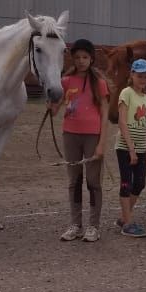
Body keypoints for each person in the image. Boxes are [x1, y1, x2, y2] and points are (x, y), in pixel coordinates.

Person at [54, 38, 109, 243]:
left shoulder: (99, 84)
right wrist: (51, 104)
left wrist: (102, 142)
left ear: (91, 58)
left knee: (93, 181)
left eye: (85, 57)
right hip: (70, 134)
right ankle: (75, 224)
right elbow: (56, 108)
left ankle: (93, 225)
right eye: (77, 57)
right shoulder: (65, 82)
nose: (81, 61)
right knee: (73, 180)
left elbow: (104, 113)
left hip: (92, 136)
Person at [115, 58, 146, 237]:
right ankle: (128, 222)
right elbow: (122, 121)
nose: (143, 80)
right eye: (140, 76)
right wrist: (130, 148)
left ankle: (125, 216)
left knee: (139, 183)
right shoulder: (126, 93)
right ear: (132, 75)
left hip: (141, 147)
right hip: (125, 147)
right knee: (126, 183)